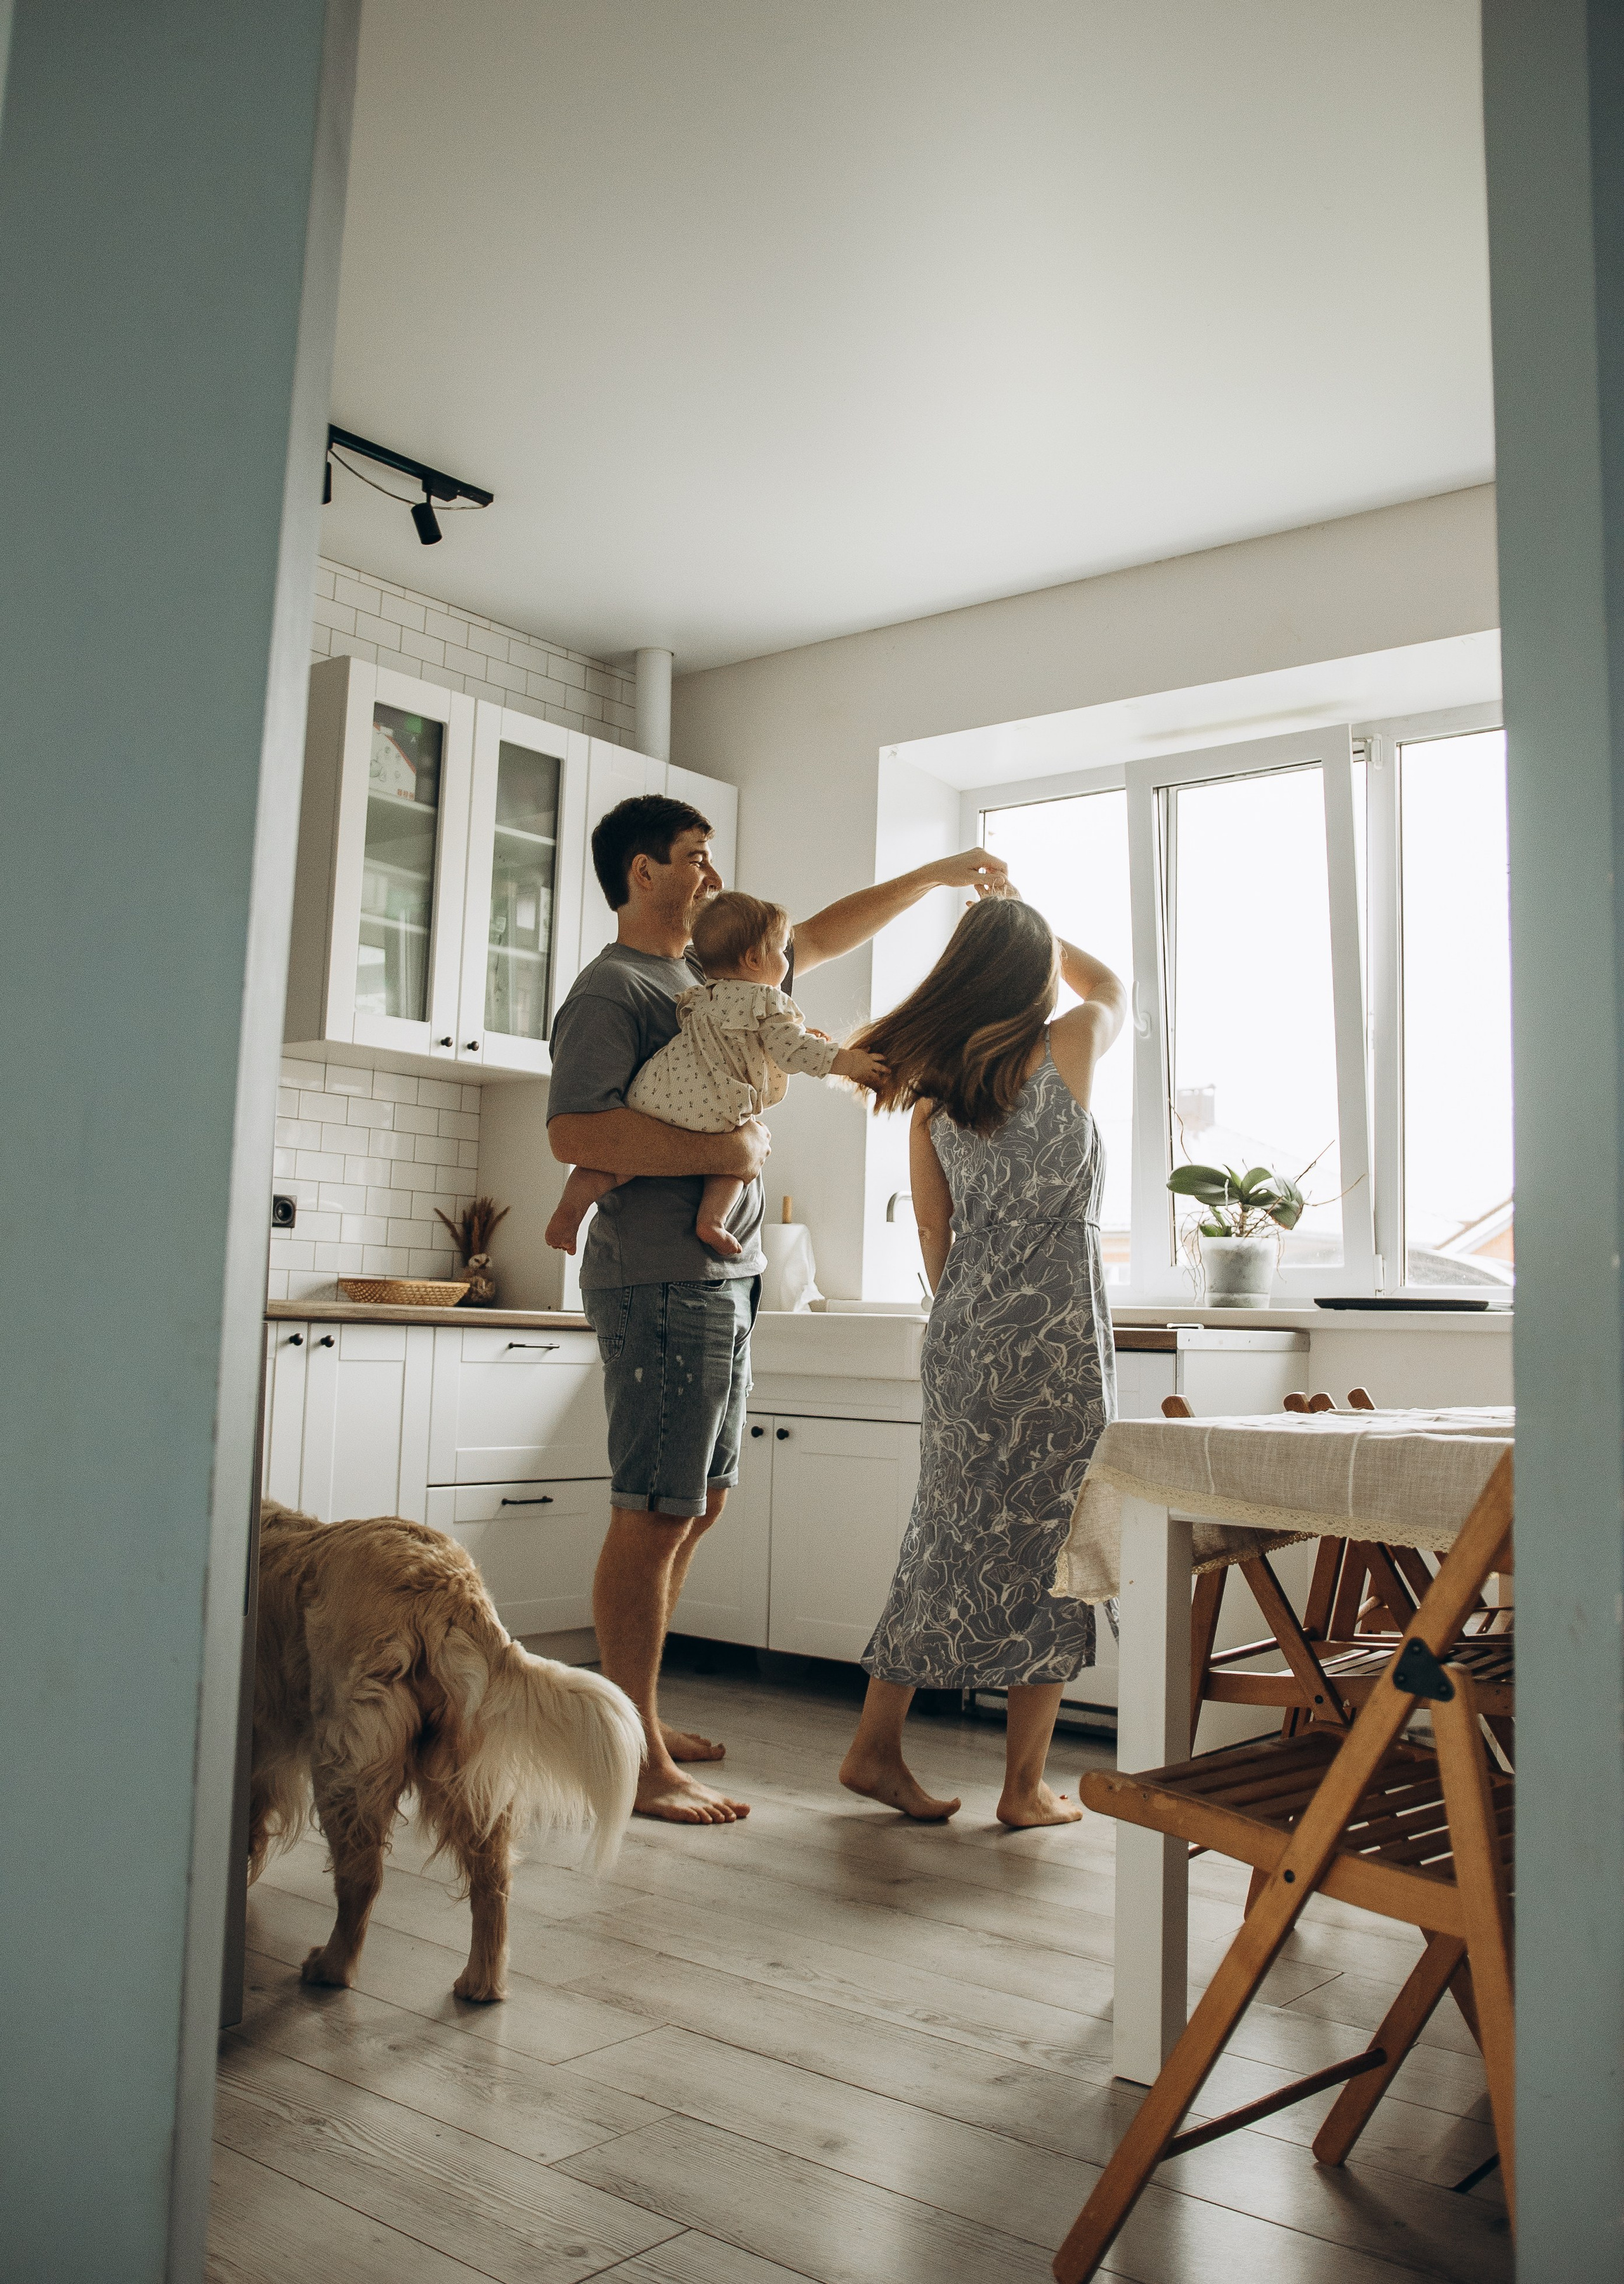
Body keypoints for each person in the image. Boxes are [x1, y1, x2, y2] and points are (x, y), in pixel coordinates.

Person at [546, 792, 1010, 1824]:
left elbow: (822, 930)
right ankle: (635, 1759)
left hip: (719, 1272)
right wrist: (731, 1151)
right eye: (695, 857)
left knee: (695, 1503)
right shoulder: (614, 988)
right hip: (658, 1272)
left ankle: (642, 1716)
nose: (711, 875)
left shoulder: (712, 977)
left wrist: (934, 878)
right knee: (654, 1509)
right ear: (642, 873)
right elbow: (575, 1131)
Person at [836, 890, 1127, 1828]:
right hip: (1058, 1342)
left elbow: (935, 1234)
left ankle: (876, 1748)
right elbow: (1113, 983)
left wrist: (970, 1311)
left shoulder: (931, 1097)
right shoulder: (1071, 1040)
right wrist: (1034, 919)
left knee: (946, 1538)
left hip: (966, 1337)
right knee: (1055, 1545)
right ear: (1033, 977)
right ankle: (1023, 1787)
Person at [546, 890, 887, 1259]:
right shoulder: (767, 1000)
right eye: (780, 951)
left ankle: (568, 1214)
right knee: (738, 1160)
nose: (787, 961)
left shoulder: (703, 992)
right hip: (715, 1102)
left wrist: (797, 1039)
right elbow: (792, 1051)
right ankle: (712, 1220)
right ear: (755, 958)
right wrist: (851, 1063)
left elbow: (745, 1039)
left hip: (657, 1091)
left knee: (612, 1169)